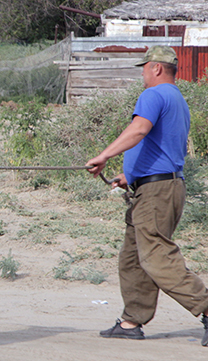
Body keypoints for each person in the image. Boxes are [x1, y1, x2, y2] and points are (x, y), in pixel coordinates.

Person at [86, 45, 208, 345]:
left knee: (156, 256)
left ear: (156, 68)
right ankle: (131, 321)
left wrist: (103, 156)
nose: (141, 73)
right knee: (132, 257)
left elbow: (139, 130)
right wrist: (130, 175)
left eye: (144, 67)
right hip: (159, 186)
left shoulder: (153, 95)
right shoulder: (177, 99)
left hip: (157, 192)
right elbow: (164, 147)